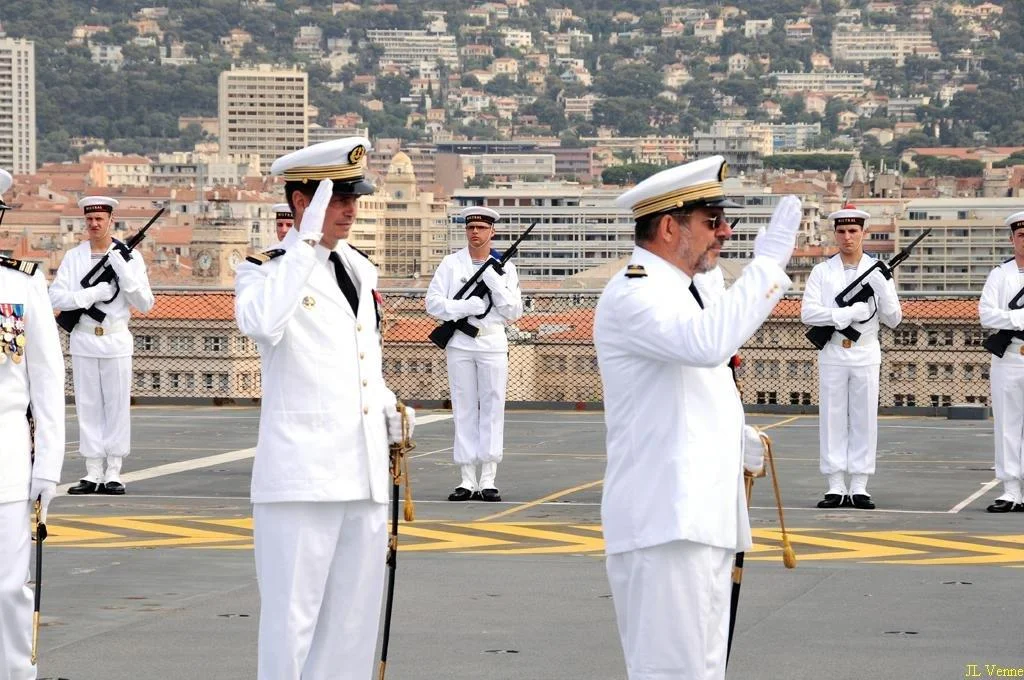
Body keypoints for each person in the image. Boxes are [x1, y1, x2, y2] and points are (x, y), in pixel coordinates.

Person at [593, 155, 800, 680]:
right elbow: (706, 345)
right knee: (671, 672)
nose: (724, 232)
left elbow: (691, 386)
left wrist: (735, 439)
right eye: (712, 222)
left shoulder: (685, 290)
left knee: (704, 671)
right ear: (668, 227)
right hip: (664, 523)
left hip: (699, 518)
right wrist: (769, 266)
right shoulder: (636, 292)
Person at [234, 136, 415, 680]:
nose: (350, 210)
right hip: (302, 477)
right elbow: (263, 324)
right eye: (337, 198)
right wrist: (304, 242)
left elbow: (361, 359)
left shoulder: (360, 269)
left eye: (352, 197)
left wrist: (387, 406)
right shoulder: (266, 269)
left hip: (361, 475)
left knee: (352, 625)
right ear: (300, 202)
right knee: (292, 623)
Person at [0, 168, 66, 678]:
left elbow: (46, 380)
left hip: (6, 466)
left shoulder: (20, 285)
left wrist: (48, 465)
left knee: (6, 588)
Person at [49, 196, 154, 495]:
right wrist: (91, 294)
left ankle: (114, 470)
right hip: (83, 337)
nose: (94, 225)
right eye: (90, 220)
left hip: (116, 338)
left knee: (117, 405)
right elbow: (56, 297)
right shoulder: (74, 257)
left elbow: (145, 303)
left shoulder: (129, 258)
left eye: (100, 219)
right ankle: (93, 470)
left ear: (111, 221)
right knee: (88, 405)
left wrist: (125, 272)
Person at [800, 205, 902, 510]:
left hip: (866, 351)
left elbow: (894, 319)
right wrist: (844, 313)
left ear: (864, 233)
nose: (847, 237)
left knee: (863, 419)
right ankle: (835, 484)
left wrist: (882, 289)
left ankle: (859, 484)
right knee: (831, 417)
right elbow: (808, 313)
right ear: (834, 234)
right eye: (842, 231)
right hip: (832, 350)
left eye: (853, 231)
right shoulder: (822, 271)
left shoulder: (877, 272)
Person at [426, 206, 523, 502]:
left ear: (492, 232)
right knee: (464, 407)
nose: (475, 233)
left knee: (492, 408)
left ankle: (489, 478)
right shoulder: (451, 264)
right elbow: (433, 303)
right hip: (460, 343)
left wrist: (495, 285)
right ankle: (467, 479)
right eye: (471, 228)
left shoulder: (505, 268)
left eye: (481, 228)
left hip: (492, 342)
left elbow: (514, 312)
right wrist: (464, 308)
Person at [979, 210, 1024, 513]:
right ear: (1012, 239)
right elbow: (986, 315)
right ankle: (1010, 490)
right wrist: (1017, 317)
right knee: (1007, 425)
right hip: (1009, 357)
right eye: (1021, 235)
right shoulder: (1000, 274)